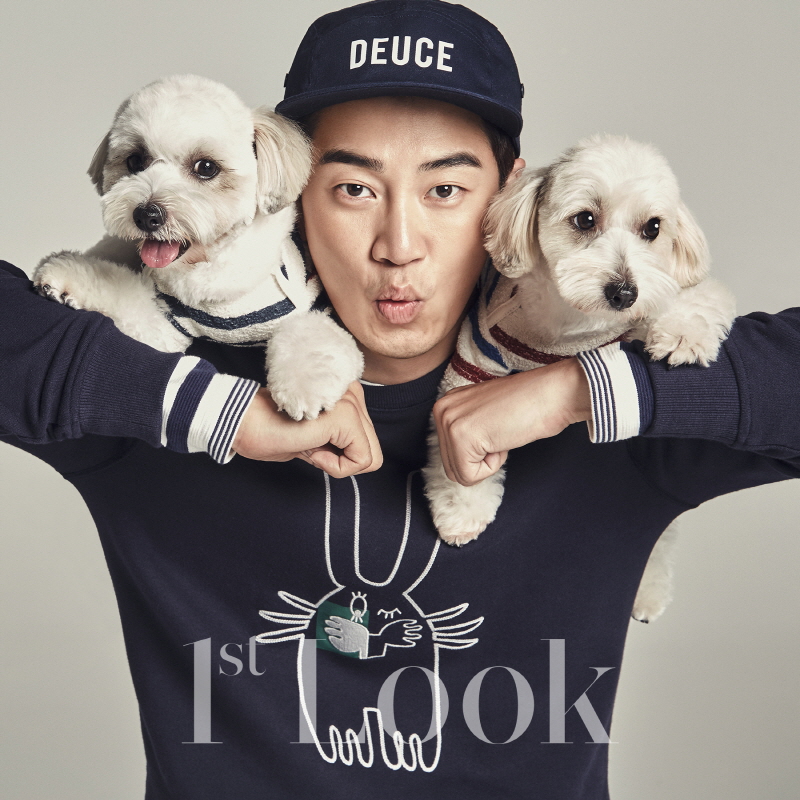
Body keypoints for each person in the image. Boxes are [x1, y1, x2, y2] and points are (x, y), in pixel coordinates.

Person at [1, 1, 799, 797]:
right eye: (354, 188)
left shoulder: (622, 403)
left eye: (445, 189)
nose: (399, 245)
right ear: (289, 189)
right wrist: (215, 413)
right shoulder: (159, 389)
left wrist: (576, 390)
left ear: (510, 199)